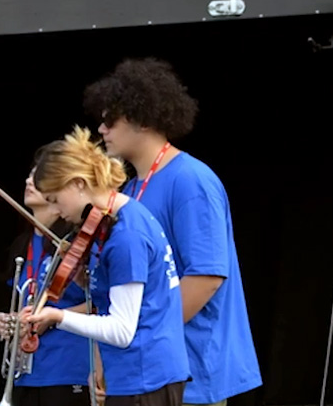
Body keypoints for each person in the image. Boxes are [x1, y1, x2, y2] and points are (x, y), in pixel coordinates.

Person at [83, 58, 261, 406]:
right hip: (144, 372)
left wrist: (137, 337)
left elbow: (207, 276)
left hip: (189, 373)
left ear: (142, 117)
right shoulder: (130, 191)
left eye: (109, 119)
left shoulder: (190, 180)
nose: (101, 130)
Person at [20, 126, 190, 405]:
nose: (59, 211)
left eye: (55, 200)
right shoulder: (121, 219)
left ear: (78, 183)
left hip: (145, 376)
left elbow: (122, 331)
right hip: (137, 373)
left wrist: (57, 317)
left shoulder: (126, 236)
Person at [0, 168, 89, 406]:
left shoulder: (76, 243)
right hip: (25, 373)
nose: (28, 180)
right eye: (28, 175)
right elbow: (21, 301)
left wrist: (54, 317)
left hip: (67, 368)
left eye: (38, 177)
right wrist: (10, 323)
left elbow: (103, 303)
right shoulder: (21, 244)